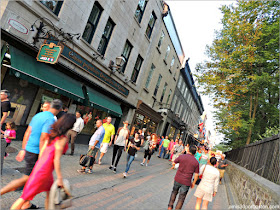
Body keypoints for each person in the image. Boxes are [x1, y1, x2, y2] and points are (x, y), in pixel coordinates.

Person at [1, 99, 62, 209]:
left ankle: (26, 203)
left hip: (30, 150)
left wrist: (24, 148)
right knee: (27, 178)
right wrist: (42, 157)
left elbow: (28, 132)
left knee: (31, 179)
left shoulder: (37, 116)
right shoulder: (50, 119)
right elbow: (44, 138)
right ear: (60, 109)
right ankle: (6, 194)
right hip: (36, 152)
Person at [10, 114, 76, 210]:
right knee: (24, 197)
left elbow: (43, 150)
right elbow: (56, 159)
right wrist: (60, 178)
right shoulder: (62, 139)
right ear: (70, 125)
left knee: (50, 194)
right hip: (44, 171)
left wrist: (39, 165)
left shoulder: (51, 133)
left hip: (42, 167)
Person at [168, 145, 199, 210]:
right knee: (181, 198)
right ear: (195, 153)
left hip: (178, 179)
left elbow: (173, 162)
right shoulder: (196, 162)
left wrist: (174, 165)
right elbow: (196, 175)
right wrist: (193, 183)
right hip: (186, 182)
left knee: (174, 192)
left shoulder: (182, 156)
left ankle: (170, 207)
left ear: (188, 150)